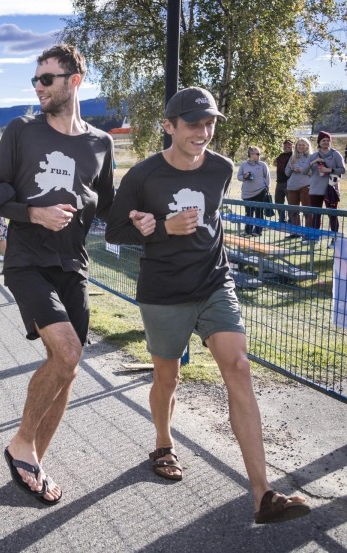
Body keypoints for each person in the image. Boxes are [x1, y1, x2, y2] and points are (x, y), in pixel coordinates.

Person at [104, 86, 311, 525]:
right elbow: (115, 232)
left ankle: (263, 495)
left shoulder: (222, 168)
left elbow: (213, 221)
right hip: (164, 292)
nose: (204, 131)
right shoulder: (142, 177)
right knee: (168, 377)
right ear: (169, 127)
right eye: (194, 124)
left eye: (210, 122)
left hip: (215, 282)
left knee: (238, 367)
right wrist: (159, 227)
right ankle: (163, 442)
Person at [0, 44, 115, 504]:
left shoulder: (101, 142)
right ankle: (20, 442)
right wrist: (33, 214)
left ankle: (33, 458)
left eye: (47, 79)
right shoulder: (21, 131)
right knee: (68, 349)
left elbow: (110, 206)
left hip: (73, 265)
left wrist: (145, 220)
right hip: (27, 261)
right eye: (35, 79)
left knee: (68, 368)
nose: (38, 87)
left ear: (74, 81)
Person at [307, 131, 344, 248]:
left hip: (330, 190)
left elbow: (342, 170)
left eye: (328, 140)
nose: (326, 142)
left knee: (332, 215)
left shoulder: (336, 154)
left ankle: (335, 240)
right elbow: (304, 171)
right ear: (319, 142)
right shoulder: (313, 156)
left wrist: (330, 170)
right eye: (323, 140)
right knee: (316, 215)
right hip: (315, 189)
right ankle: (315, 237)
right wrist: (313, 163)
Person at [237, 146, 270, 236]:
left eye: (259, 153)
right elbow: (239, 177)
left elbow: (267, 177)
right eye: (257, 154)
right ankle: (248, 231)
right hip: (247, 193)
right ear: (251, 154)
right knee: (249, 213)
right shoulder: (244, 165)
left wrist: (266, 188)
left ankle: (258, 231)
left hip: (260, 192)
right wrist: (245, 176)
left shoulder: (263, 165)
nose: (259, 155)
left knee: (259, 212)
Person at [284, 138, 313, 238]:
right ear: (296, 147)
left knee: (307, 211)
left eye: (303, 145)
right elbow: (286, 173)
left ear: (307, 146)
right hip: (292, 187)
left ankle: (308, 233)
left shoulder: (311, 157)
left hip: (305, 186)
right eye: (299, 145)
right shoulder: (292, 157)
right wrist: (291, 168)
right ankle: (296, 232)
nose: (301, 147)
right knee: (293, 211)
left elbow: (314, 172)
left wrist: (302, 170)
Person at [273, 139, 293, 223]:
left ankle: (291, 220)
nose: (287, 147)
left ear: (292, 146)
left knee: (290, 202)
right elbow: (274, 163)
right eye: (285, 146)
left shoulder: (294, 155)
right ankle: (281, 219)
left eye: (289, 145)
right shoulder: (281, 155)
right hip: (279, 182)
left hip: (288, 182)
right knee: (278, 201)